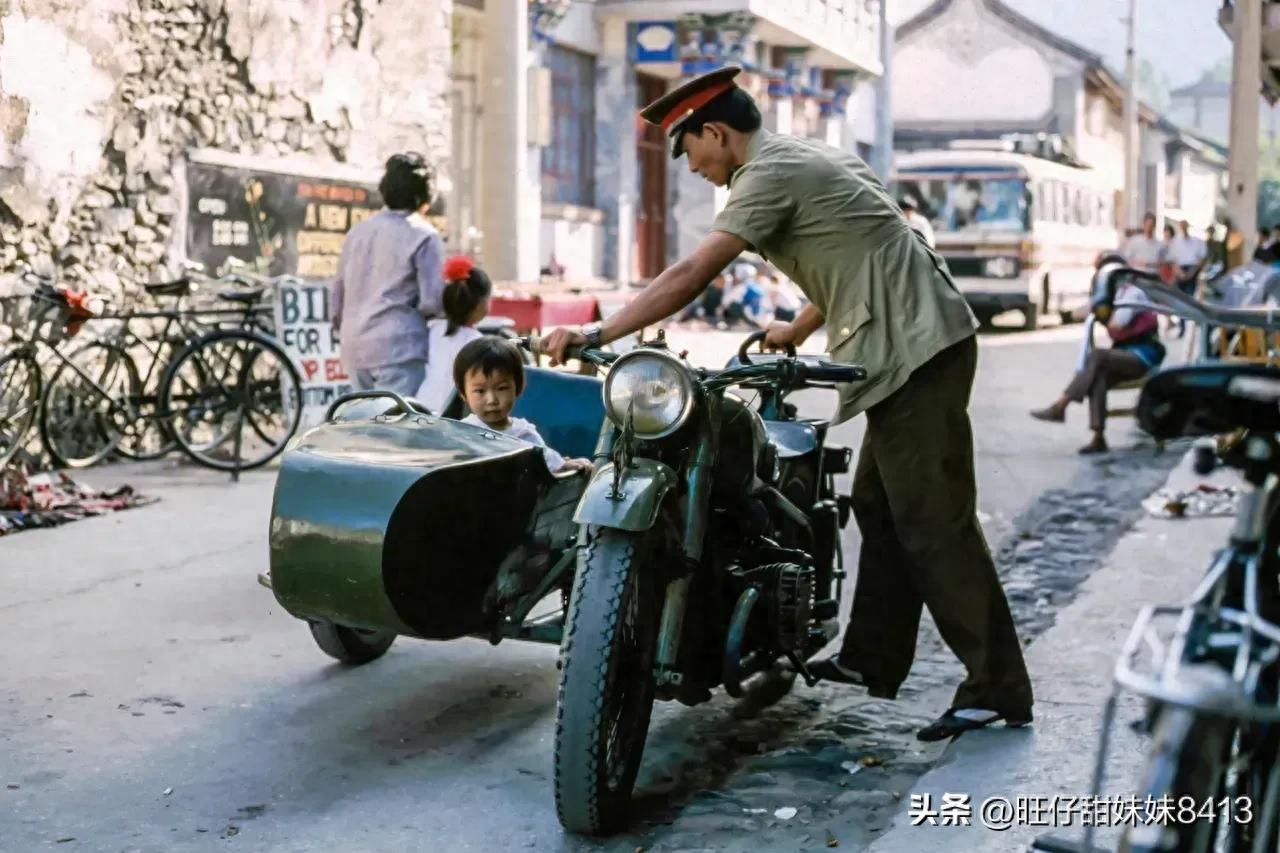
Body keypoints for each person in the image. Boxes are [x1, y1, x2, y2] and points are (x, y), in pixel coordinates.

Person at [539, 66, 1033, 742]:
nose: (692, 168)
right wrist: (796, 329)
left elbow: (692, 272)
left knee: (934, 524)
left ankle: (996, 687)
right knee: (883, 511)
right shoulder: (807, 154)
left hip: (914, 351)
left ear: (716, 132)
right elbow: (863, 251)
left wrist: (598, 332)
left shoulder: (762, 177)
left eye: (689, 150)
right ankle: (871, 657)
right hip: (917, 343)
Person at [331, 152, 444, 396]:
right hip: (399, 350)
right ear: (424, 195)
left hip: (354, 348)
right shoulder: (425, 236)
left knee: (368, 427)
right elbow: (432, 302)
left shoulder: (358, 232)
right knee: (397, 429)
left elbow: (337, 294)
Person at [1030, 267, 1166, 454]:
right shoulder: (1113, 296)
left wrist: (1103, 314)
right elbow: (1085, 311)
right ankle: (1098, 438)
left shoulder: (1132, 294)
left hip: (1142, 356)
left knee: (1097, 355)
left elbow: (1117, 324)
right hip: (1125, 355)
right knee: (1097, 376)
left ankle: (1061, 405)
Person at [455, 337, 592, 475]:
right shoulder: (461, 433)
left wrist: (565, 466)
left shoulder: (524, 435)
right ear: (464, 394)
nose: (492, 400)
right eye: (480, 391)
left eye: (501, 388)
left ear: (518, 387)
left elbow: (550, 464)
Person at [415, 255, 492, 414]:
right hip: (449, 413)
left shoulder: (433, 330)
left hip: (420, 405)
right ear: (480, 306)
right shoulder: (476, 343)